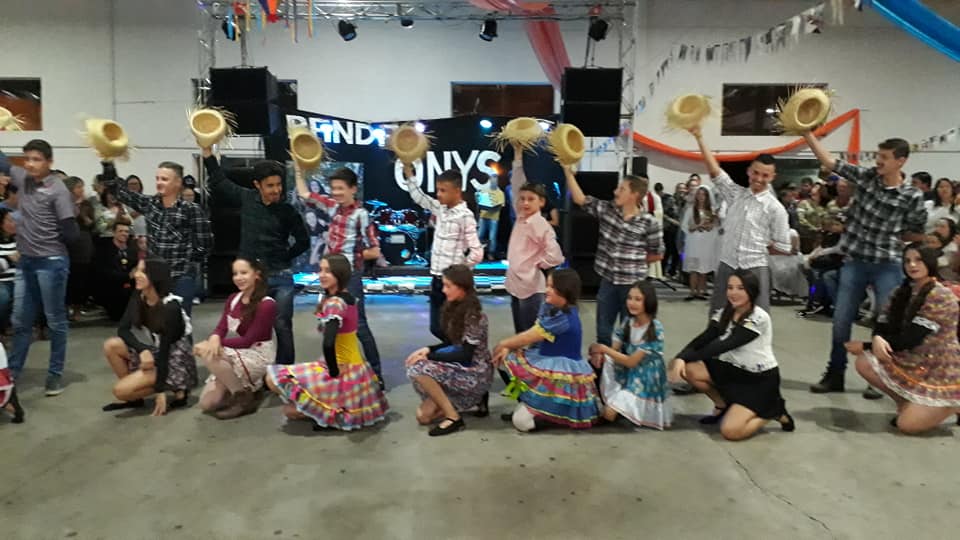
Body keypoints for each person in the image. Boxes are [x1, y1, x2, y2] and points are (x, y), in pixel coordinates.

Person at [802, 132, 927, 396]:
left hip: (888, 265)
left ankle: (879, 378)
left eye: (884, 157)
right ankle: (835, 374)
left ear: (901, 161)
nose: (878, 161)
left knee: (884, 325)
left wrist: (893, 237)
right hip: (855, 262)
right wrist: (807, 134)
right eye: (878, 156)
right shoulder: (867, 177)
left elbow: (916, 232)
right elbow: (830, 162)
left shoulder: (912, 196)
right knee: (841, 320)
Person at [202, 147, 308, 366]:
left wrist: (285, 256)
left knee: (282, 324)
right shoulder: (247, 199)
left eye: (278, 184)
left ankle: (285, 374)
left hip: (280, 275)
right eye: (270, 185)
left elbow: (303, 241)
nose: (276, 190)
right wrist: (207, 153)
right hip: (253, 279)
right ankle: (254, 369)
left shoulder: (288, 211)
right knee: (249, 326)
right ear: (257, 185)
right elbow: (220, 182)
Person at [265, 254, 388, 431]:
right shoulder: (348, 297)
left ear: (340, 274)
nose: (321, 275)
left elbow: (329, 343)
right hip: (357, 369)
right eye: (320, 270)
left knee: (275, 384)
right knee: (291, 407)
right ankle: (330, 408)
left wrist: (333, 371)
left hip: (341, 371)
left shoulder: (335, 303)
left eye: (328, 271)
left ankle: (331, 413)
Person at [669, 270, 795, 441]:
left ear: (752, 291)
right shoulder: (724, 313)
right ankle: (722, 405)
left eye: (740, 288)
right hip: (731, 369)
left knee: (730, 431)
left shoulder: (759, 317)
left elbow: (724, 345)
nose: (733, 293)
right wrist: (680, 358)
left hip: (757, 380)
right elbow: (703, 339)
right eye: (730, 287)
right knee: (689, 369)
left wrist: (684, 358)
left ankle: (773, 411)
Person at [848, 244, 960, 434]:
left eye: (918, 260)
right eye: (907, 261)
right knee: (865, 362)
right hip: (913, 359)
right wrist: (877, 339)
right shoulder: (900, 291)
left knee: (906, 426)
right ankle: (907, 403)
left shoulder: (940, 295)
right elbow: (882, 325)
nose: (912, 265)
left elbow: (911, 339)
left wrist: (867, 344)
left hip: (939, 369)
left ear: (930, 262)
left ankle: (953, 404)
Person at [0, 141, 81, 395]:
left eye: (36, 159)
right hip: (26, 262)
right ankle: (12, 373)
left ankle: (54, 375)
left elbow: (71, 231)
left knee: (55, 320)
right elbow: (2, 161)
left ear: (49, 162)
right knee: (21, 321)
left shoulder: (58, 189)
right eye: (27, 159)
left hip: (51, 262)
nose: (30, 164)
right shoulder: (22, 177)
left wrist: (48, 238)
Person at [687, 127, 791, 314]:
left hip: (755, 268)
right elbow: (715, 173)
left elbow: (784, 247)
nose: (759, 178)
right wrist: (699, 137)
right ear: (749, 171)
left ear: (772, 177)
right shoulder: (735, 194)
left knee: (756, 319)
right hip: (727, 265)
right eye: (755, 173)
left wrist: (760, 246)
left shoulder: (776, 209)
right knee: (718, 316)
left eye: (765, 175)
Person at [295, 166, 384, 381]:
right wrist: (298, 170)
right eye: (333, 188)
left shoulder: (361, 215)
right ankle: (341, 368)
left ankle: (376, 375)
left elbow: (375, 250)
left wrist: (348, 255)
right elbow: (305, 194)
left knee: (359, 326)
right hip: (331, 278)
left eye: (340, 188)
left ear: (353, 189)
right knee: (333, 324)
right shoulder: (332, 207)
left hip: (349, 277)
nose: (336, 193)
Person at [562, 165, 663, 347]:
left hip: (633, 286)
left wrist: (633, 261)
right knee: (603, 330)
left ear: (634, 195)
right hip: (607, 282)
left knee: (630, 332)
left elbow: (657, 254)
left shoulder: (649, 223)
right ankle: (603, 362)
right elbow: (580, 199)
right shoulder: (607, 210)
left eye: (621, 189)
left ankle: (624, 362)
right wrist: (567, 173)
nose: (615, 192)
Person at [494, 269, 599, 432]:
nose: (547, 290)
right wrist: (507, 347)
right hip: (545, 359)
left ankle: (549, 417)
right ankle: (527, 403)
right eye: (547, 285)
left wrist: (503, 344)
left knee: (521, 422)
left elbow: (530, 336)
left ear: (564, 291)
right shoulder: (551, 307)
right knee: (504, 360)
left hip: (562, 372)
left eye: (552, 287)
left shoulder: (564, 317)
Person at [105, 160, 213, 315]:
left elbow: (205, 243)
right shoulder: (150, 204)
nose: (159, 182)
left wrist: (186, 261)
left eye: (164, 179)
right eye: (157, 178)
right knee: (154, 321)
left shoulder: (191, 210)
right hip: (154, 277)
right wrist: (108, 163)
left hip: (180, 278)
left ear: (178, 182)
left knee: (179, 322)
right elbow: (119, 192)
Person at [101, 257, 196, 415]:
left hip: (174, 361)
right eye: (137, 270)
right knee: (111, 345)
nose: (136, 275)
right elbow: (123, 330)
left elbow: (166, 350)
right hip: (157, 351)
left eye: (143, 271)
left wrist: (160, 391)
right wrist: (142, 350)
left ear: (155, 275)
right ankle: (136, 398)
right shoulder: (139, 295)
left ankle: (176, 387)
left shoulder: (171, 307)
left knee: (120, 391)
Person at [405, 264, 493, 436]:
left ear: (462, 287)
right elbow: (451, 342)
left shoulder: (474, 315)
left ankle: (453, 417)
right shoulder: (453, 307)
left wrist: (430, 356)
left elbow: (466, 354)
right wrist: (427, 349)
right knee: (423, 417)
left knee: (418, 368)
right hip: (459, 366)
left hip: (475, 370)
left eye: (448, 286)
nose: (444, 290)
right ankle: (467, 401)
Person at [403, 164, 483, 340]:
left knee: (453, 328)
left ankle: (456, 355)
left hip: (453, 283)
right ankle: (451, 352)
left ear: (457, 191)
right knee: (437, 327)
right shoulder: (440, 209)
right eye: (437, 189)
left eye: (443, 190)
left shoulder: (465, 216)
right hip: (437, 279)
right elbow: (419, 197)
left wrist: (460, 273)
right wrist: (409, 174)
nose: (438, 194)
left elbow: (477, 252)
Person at [196, 257, 276, 419]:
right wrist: (214, 338)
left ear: (256, 274)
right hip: (238, 352)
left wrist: (213, 345)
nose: (238, 278)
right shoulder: (233, 299)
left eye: (244, 273)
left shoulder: (267, 304)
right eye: (235, 274)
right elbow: (221, 327)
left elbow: (248, 340)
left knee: (209, 353)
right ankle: (247, 388)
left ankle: (242, 397)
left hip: (258, 353)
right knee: (207, 404)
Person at [588, 280, 671, 430]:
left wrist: (604, 349)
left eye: (638, 299)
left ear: (648, 302)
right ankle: (614, 404)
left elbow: (632, 361)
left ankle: (620, 408)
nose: (632, 303)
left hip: (645, 379)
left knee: (608, 414)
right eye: (629, 298)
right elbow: (615, 348)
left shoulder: (655, 328)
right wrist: (599, 353)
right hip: (629, 373)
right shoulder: (628, 322)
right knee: (599, 360)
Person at [505, 142, 564, 333]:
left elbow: (556, 256)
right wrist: (518, 155)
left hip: (531, 288)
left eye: (531, 199)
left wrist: (536, 265)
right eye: (522, 199)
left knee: (530, 334)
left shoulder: (540, 224)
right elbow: (517, 184)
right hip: (516, 284)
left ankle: (529, 354)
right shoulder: (521, 216)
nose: (525, 203)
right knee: (520, 331)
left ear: (542, 202)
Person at [62, 176, 96, 320]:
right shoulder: (62, 203)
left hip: (83, 242)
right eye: (78, 187)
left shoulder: (86, 204)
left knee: (80, 278)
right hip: (66, 243)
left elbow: (91, 223)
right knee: (66, 278)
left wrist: (81, 212)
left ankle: (77, 309)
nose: (82, 190)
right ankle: (64, 308)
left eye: (82, 186)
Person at [94, 219, 139, 321]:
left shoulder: (132, 250)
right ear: (114, 232)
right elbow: (104, 273)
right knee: (117, 316)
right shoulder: (104, 251)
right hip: (112, 288)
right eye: (120, 231)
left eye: (126, 231)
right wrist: (127, 276)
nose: (124, 234)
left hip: (131, 287)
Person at [682, 186, 720, 301]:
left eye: (703, 194)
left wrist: (711, 226)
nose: (701, 197)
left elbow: (716, 227)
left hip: (706, 242)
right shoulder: (691, 209)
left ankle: (701, 291)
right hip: (694, 241)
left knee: (704, 268)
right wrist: (695, 227)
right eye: (699, 194)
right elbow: (684, 226)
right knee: (694, 267)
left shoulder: (711, 211)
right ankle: (692, 291)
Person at [472, 174, 505, 261]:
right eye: (492, 180)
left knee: (492, 237)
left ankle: (491, 253)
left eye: (495, 180)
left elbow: (500, 206)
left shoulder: (500, 193)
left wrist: (491, 207)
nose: (493, 182)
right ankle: (477, 253)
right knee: (479, 236)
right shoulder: (484, 191)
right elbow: (479, 203)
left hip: (494, 218)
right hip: (483, 217)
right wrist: (477, 197)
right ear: (489, 180)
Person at [0, 208, 17, 337]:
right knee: (4, 298)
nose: (14, 224)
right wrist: (9, 259)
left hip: (20, 279)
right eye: (10, 220)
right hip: (2, 281)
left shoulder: (20, 240)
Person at [1, 343, 24, 423]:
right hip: (4, 372)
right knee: (10, 395)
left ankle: (15, 410)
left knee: (3, 399)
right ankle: (18, 412)